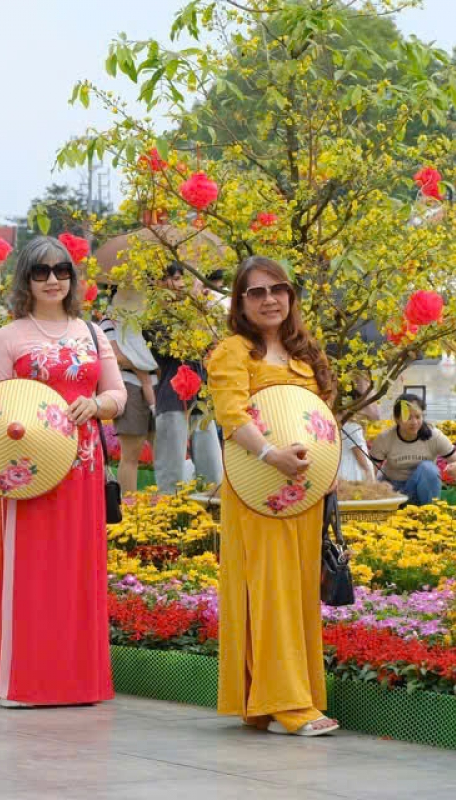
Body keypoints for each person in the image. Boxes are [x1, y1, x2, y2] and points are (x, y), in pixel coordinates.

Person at [0, 236, 126, 708]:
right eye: (41, 271)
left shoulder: (92, 333)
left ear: (73, 279)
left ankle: (80, 683)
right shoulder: (8, 337)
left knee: (79, 575)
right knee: (31, 575)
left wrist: (95, 405)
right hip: (27, 471)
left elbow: (118, 395)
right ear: (26, 280)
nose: (53, 279)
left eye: (62, 271)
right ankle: (25, 684)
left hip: (82, 469)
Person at [206, 255, 338, 736]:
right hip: (257, 491)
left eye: (278, 289)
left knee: (299, 591)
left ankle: (286, 698)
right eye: (257, 292)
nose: (269, 300)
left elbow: (325, 418)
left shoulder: (307, 353)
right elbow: (232, 416)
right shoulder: (232, 352)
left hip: (305, 492)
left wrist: (329, 468)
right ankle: (287, 705)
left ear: (290, 296)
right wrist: (270, 455)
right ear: (240, 302)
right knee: (269, 590)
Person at [151, 263, 223, 494]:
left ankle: (211, 513)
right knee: (171, 474)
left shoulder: (194, 311)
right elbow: (179, 347)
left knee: (213, 472)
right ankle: (168, 512)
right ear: (157, 283)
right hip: (172, 399)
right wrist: (194, 305)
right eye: (173, 278)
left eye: (181, 278)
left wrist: (204, 309)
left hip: (201, 399)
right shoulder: (153, 318)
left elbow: (213, 343)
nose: (180, 284)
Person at [100, 285, 158, 495]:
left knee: (162, 450)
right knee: (131, 453)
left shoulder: (148, 314)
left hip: (157, 384)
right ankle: (129, 506)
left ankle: (166, 503)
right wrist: (144, 369)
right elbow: (117, 357)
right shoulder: (108, 321)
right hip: (130, 385)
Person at [368, 393, 456, 505]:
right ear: (397, 419)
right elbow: (370, 471)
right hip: (393, 490)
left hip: (422, 490)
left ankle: (429, 510)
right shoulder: (385, 438)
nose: (414, 422)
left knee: (428, 468)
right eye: (408, 418)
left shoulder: (434, 436)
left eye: (418, 417)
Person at [338, 374, 379, 483]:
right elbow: (358, 452)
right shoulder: (353, 426)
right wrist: (368, 472)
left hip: (344, 466)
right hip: (354, 470)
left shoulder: (342, 424)